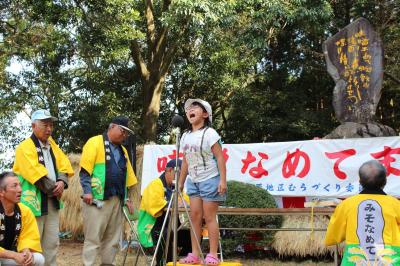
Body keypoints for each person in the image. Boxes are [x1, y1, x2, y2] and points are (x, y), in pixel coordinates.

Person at [13, 109, 73, 266]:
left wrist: (62, 181)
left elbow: (64, 164)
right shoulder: (24, 147)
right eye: (45, 125)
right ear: (33, 126)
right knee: (32, 244)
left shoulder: (53, 145)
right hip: (32, 204)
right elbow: (36, 175)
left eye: (51, 125)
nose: (49, 129)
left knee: (52, 243)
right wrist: (56, 188)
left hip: (52, 203)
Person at [79, 116, 137, 266]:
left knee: (112, 239)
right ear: (112, 127)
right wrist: (87, 191)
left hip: (117, 199)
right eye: (122, 131)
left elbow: (126, 177)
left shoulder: (123, 150)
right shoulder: (95, 142)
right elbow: (85, 170)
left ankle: (108, 263)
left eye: (126, 133)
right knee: (93, 238)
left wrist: (127, 199)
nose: (124, 135)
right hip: (97, 199)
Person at [178, 99, 227, 265]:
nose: (190, 110)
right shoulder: (185, 135)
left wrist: (223, 180)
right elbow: (185, 161)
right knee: (194, 217)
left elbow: (220, 157)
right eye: (189, 108)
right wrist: (181, 182)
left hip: (210, 179)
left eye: (195, 107)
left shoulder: (210, 133)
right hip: (193, 180)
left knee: (209, 216)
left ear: (205, 114)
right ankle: (194, 254)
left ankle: (213, 254)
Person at [325, 160, 400, 265]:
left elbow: (334, 235)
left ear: (360, 181)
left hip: (356, 260)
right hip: (390, 260)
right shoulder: (396, 205)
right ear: (385, 181)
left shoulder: (346, 204)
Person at [138, 159, 191, 265]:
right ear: (170, 170)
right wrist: (176, 204)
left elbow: (186, 203)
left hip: (171, 227)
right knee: (166, 234)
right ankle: (165, 263)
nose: (181, 179)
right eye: (180, 175)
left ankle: (184, 263)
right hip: (152, 228)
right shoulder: (155, 184)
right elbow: (155, 205)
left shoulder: (176, 188)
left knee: (192, 236)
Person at [0, 171, 45, 266]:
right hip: (5, 255)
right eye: (14, 186)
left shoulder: (25, 211)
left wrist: (26, 250)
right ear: (1, 192)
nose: (20, 189)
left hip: (10, 255)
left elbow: (28, 236)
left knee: (38, 259)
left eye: (20, 185)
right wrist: (13, 255)